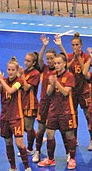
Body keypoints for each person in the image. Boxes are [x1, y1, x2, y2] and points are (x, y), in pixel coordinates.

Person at [0, 57, 33, 171]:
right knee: (8, 142)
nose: (10, 72)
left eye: (12, 70)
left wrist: (1, 79)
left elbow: (11, 91)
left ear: (16, 71)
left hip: (16, 117)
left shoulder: (19, 81)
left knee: (19, 143)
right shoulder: (3, 81)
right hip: (4, 117)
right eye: (8, 69)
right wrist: (0, 85)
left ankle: (27, 168)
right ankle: (13, 168)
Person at [32, 34, 68, 163]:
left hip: (56, 103)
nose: (49, 60)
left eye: (51, 58)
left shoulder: (60, 70)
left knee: (63, 130)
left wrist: (60, 45)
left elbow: (67, 59)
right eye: (48, 58)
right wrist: (44, 45)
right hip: (44, 102)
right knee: (41, 129)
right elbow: (40, 59)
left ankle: (68, 153)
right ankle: (37, 151)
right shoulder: (45, 68)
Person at [38, 54, 77, 170]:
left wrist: (56, 83)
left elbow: (65, 92)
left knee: (69, 134)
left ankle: (72, 158)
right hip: (53, 110)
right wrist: (51, 84)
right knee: (49, 133)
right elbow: (48, 93)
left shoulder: (69, 76)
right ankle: (50, 159)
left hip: (66, 111)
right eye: (55, 63)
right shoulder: (52, 75)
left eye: (59, 63)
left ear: (64, 63)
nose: (56, 65)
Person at [67, 32, 92, 150]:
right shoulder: (68, 57)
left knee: (88, 115)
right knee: (73, 116)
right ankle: (75, 139)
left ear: (81, 45)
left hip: (84, 91)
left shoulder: (87, 57)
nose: (75, 47)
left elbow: (85, 73)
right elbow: (65, 69)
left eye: (77, 44)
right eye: (73, 45)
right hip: (72, 92)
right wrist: (74, 58)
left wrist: (79, 58)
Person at [18, 52, 40, 157]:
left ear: (34, 62)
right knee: (23, 126)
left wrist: (21, 75)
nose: (26, 62)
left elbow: (26, 87)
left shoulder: (35, 74)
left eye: (28, 61)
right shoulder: (25, 72)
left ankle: (30, 148)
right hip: (22, 102)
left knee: (28, 127)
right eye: (25, 60)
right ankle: (37, 137)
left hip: (30, 104)